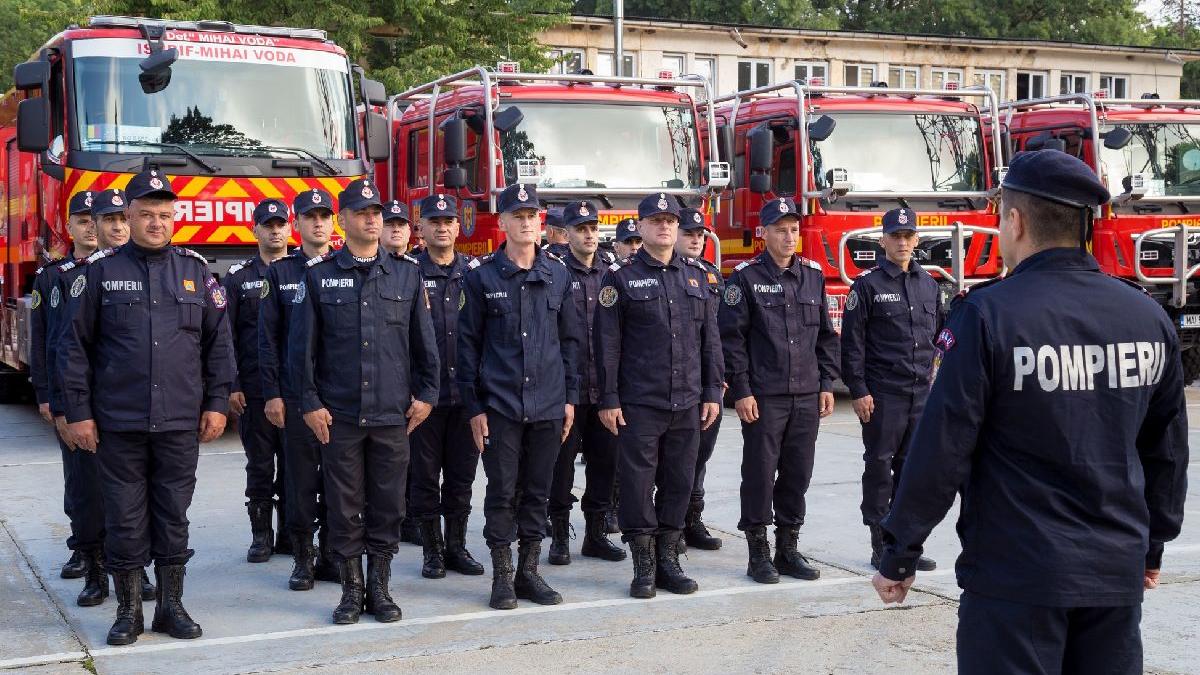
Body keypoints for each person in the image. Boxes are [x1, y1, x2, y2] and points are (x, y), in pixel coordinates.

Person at [871, 150, 1190, 674]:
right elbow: (1167, 449)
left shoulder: (988, 315)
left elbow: (942, 447)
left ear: (1016, 221)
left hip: (1015, 577)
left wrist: (900, 550)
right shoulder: (1147, 316)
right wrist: (1152, 543)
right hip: (1113, 575)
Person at [60, 169, 235, 646]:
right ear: (128, 217)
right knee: (124, 518)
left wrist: (218, 402)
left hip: (179, 421)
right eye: (145, 214)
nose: (156, 223)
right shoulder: (98, 272)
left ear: (175, 218)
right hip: (118, 422)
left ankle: (171, 608)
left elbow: (219, 345)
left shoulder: (196, 272)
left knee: (173, 515)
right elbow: (73, 348)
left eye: (164, 214)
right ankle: (129, 611)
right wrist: (78, 413)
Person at [290, 178, 440, 624]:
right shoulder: (318, 276)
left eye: (377, 212)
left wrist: (428, 395)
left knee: (389, 503)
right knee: (343, 504)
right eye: (362, 212)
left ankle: (381, 587)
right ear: (343, 220)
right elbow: (303, 351)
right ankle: (351, 591)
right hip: (340, 416)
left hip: (393, 414)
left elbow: (424, 344)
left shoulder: (407, 274)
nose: (373, 219)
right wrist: (310, 402)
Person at [457, 183, 581, 610]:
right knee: (502, 491)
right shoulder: (481, 278)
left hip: (548, 403)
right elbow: (467, 347)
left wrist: (569, 399)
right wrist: (474, 407)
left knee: (538, 491)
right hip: (501, 405)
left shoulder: (558, 274)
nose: (527, 221)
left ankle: (530, 572)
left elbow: (570, 342)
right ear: (504, 222)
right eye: (518, 214)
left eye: (533, 214)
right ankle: (503, 577)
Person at [594, 193, 723, 599]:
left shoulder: (697, 276)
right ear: (642, 227)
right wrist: (609, 398)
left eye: (670, 220)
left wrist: (711, 390)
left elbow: (710, 340)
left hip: (686, 400)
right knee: (636, 483)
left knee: (679, 481)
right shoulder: (620, 277)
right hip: (639, 402)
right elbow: (607, 343)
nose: (664, 227)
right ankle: (644, 564)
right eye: (656, 221)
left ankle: (669, 559)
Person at [718, 197, 839, 584]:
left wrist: (826, 383)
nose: (789, 237)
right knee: (759, 474)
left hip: (805, 394)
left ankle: (788, 548)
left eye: (793, 229)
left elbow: (824, 336)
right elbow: (731, 340)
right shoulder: (744, 279)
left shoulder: (814, 276)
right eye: (781, 230)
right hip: (765, 396)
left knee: (797, 474)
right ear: (763, 233)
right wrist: (742, 390)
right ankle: (758, 553)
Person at [45, 189, 148, 608]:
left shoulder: (151, 271)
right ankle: (93, 571)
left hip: (130, 408)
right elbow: (57, 348)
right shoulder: (67, 276)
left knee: (133, 498)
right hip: (85, 407)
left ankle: (134, 571)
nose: (116, 228)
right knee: (88, 494)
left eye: (123, 219)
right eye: (106, 220)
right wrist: (59, 404)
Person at [840, 207, 941, 572]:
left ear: (916, 240)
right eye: (895, 236)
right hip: (883, 394)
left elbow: (938, 341)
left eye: (907, 236)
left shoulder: (929, 284)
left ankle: (905, 543)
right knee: (880, 467)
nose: (901, 242)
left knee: (913, 470)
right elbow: (852, 345)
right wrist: (858, 389)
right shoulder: (867, 285)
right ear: (883, 240)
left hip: (920, 394)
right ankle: (879, 542)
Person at [258, 189, 338, 591]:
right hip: (294, 396)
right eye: (310, 217)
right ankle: (303, 559)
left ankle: (331, 555)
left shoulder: (346, 267)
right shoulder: (281, 273)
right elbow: (268, 340)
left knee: (339, 482)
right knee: (300, 481)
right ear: (298, 224)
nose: (318, 223)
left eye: (325, 216)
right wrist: (271, 393)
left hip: (339, 394)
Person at [407, 194, 485, 579]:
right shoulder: (405, 272)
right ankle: (432, 552)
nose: (441, 227)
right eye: (434, 221)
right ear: (420, 228)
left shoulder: (475, 273)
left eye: (448, 220)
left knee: (461, 478)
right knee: (423, 479)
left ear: (458, 227)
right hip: (425, 399)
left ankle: (456, 547)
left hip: (466, 398)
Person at [547, 200, 625, 566]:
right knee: (561, 467)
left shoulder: (612, 272)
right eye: (581, 229)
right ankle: (560, 535)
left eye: (593, 228)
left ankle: (595, 535)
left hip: (605, 388)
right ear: (567, 234)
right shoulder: (556, 272)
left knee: (604, 464)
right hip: (568, 389)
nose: (589, 234)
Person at [30, 191, 100, 589]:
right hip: (69, 395)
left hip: (111, 396)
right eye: (82, 219)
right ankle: (83, 548)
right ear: (69, 226)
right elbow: (44, 341)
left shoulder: (116, 271)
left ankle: (124, 559)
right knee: (79, 479)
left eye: (97, 218)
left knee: (121, 482)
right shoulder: (52, 276)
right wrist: (46, 393)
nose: (91, 226)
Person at [224, 199, 292, 564]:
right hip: (253, 389)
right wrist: (232, 384)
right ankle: (261, 536)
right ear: (256, 231)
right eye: (268, 225)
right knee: (261, 465)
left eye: (281, 224)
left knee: (296, 469)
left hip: (295, 387)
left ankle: (289, 536)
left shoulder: (303, 272)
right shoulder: (238, 278)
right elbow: (227, 337)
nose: (275, 230)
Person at [674, 207, 724, 552]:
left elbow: (723, 336)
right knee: (669, 461)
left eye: (700, 235)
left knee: (699, 455)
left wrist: (722, 378)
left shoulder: (712, 277)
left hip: (707, 383)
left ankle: (692, 519)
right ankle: (670, 525)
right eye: (689, 233)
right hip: (671, 382)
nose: (696, 240)